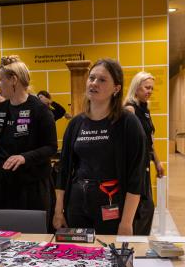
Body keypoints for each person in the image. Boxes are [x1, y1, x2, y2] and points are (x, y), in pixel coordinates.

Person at [54, 58, 144, 235]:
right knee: (78, 251)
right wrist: (58, 211)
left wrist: (127, 222)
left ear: (116, 88)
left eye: (102, 80)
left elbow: (136, 177)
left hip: (110, 203)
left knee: (108, 251)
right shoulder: (76, 123)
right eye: (92, 78)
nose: (94, 83)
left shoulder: (128, 123)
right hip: (77, 204)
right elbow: (63, 170)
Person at [0, 55, 57, 214]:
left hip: (30, 185)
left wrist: (24, 157)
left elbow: (51, 147)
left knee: (29, 228)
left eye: (0, 80)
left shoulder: (40, 110)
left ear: (13, 80)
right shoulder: (0, 109)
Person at [124, 71, 164, 235]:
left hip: (145, 164)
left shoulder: (145, 109)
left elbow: (149, 140)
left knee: (147, 208)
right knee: (142, 208)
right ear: (136, 87)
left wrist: (157, 161)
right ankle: (134, 240)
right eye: (147, 88)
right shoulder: (130, 109)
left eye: (152, 88)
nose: (150, 91)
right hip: (134, 166)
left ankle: (140, 240)